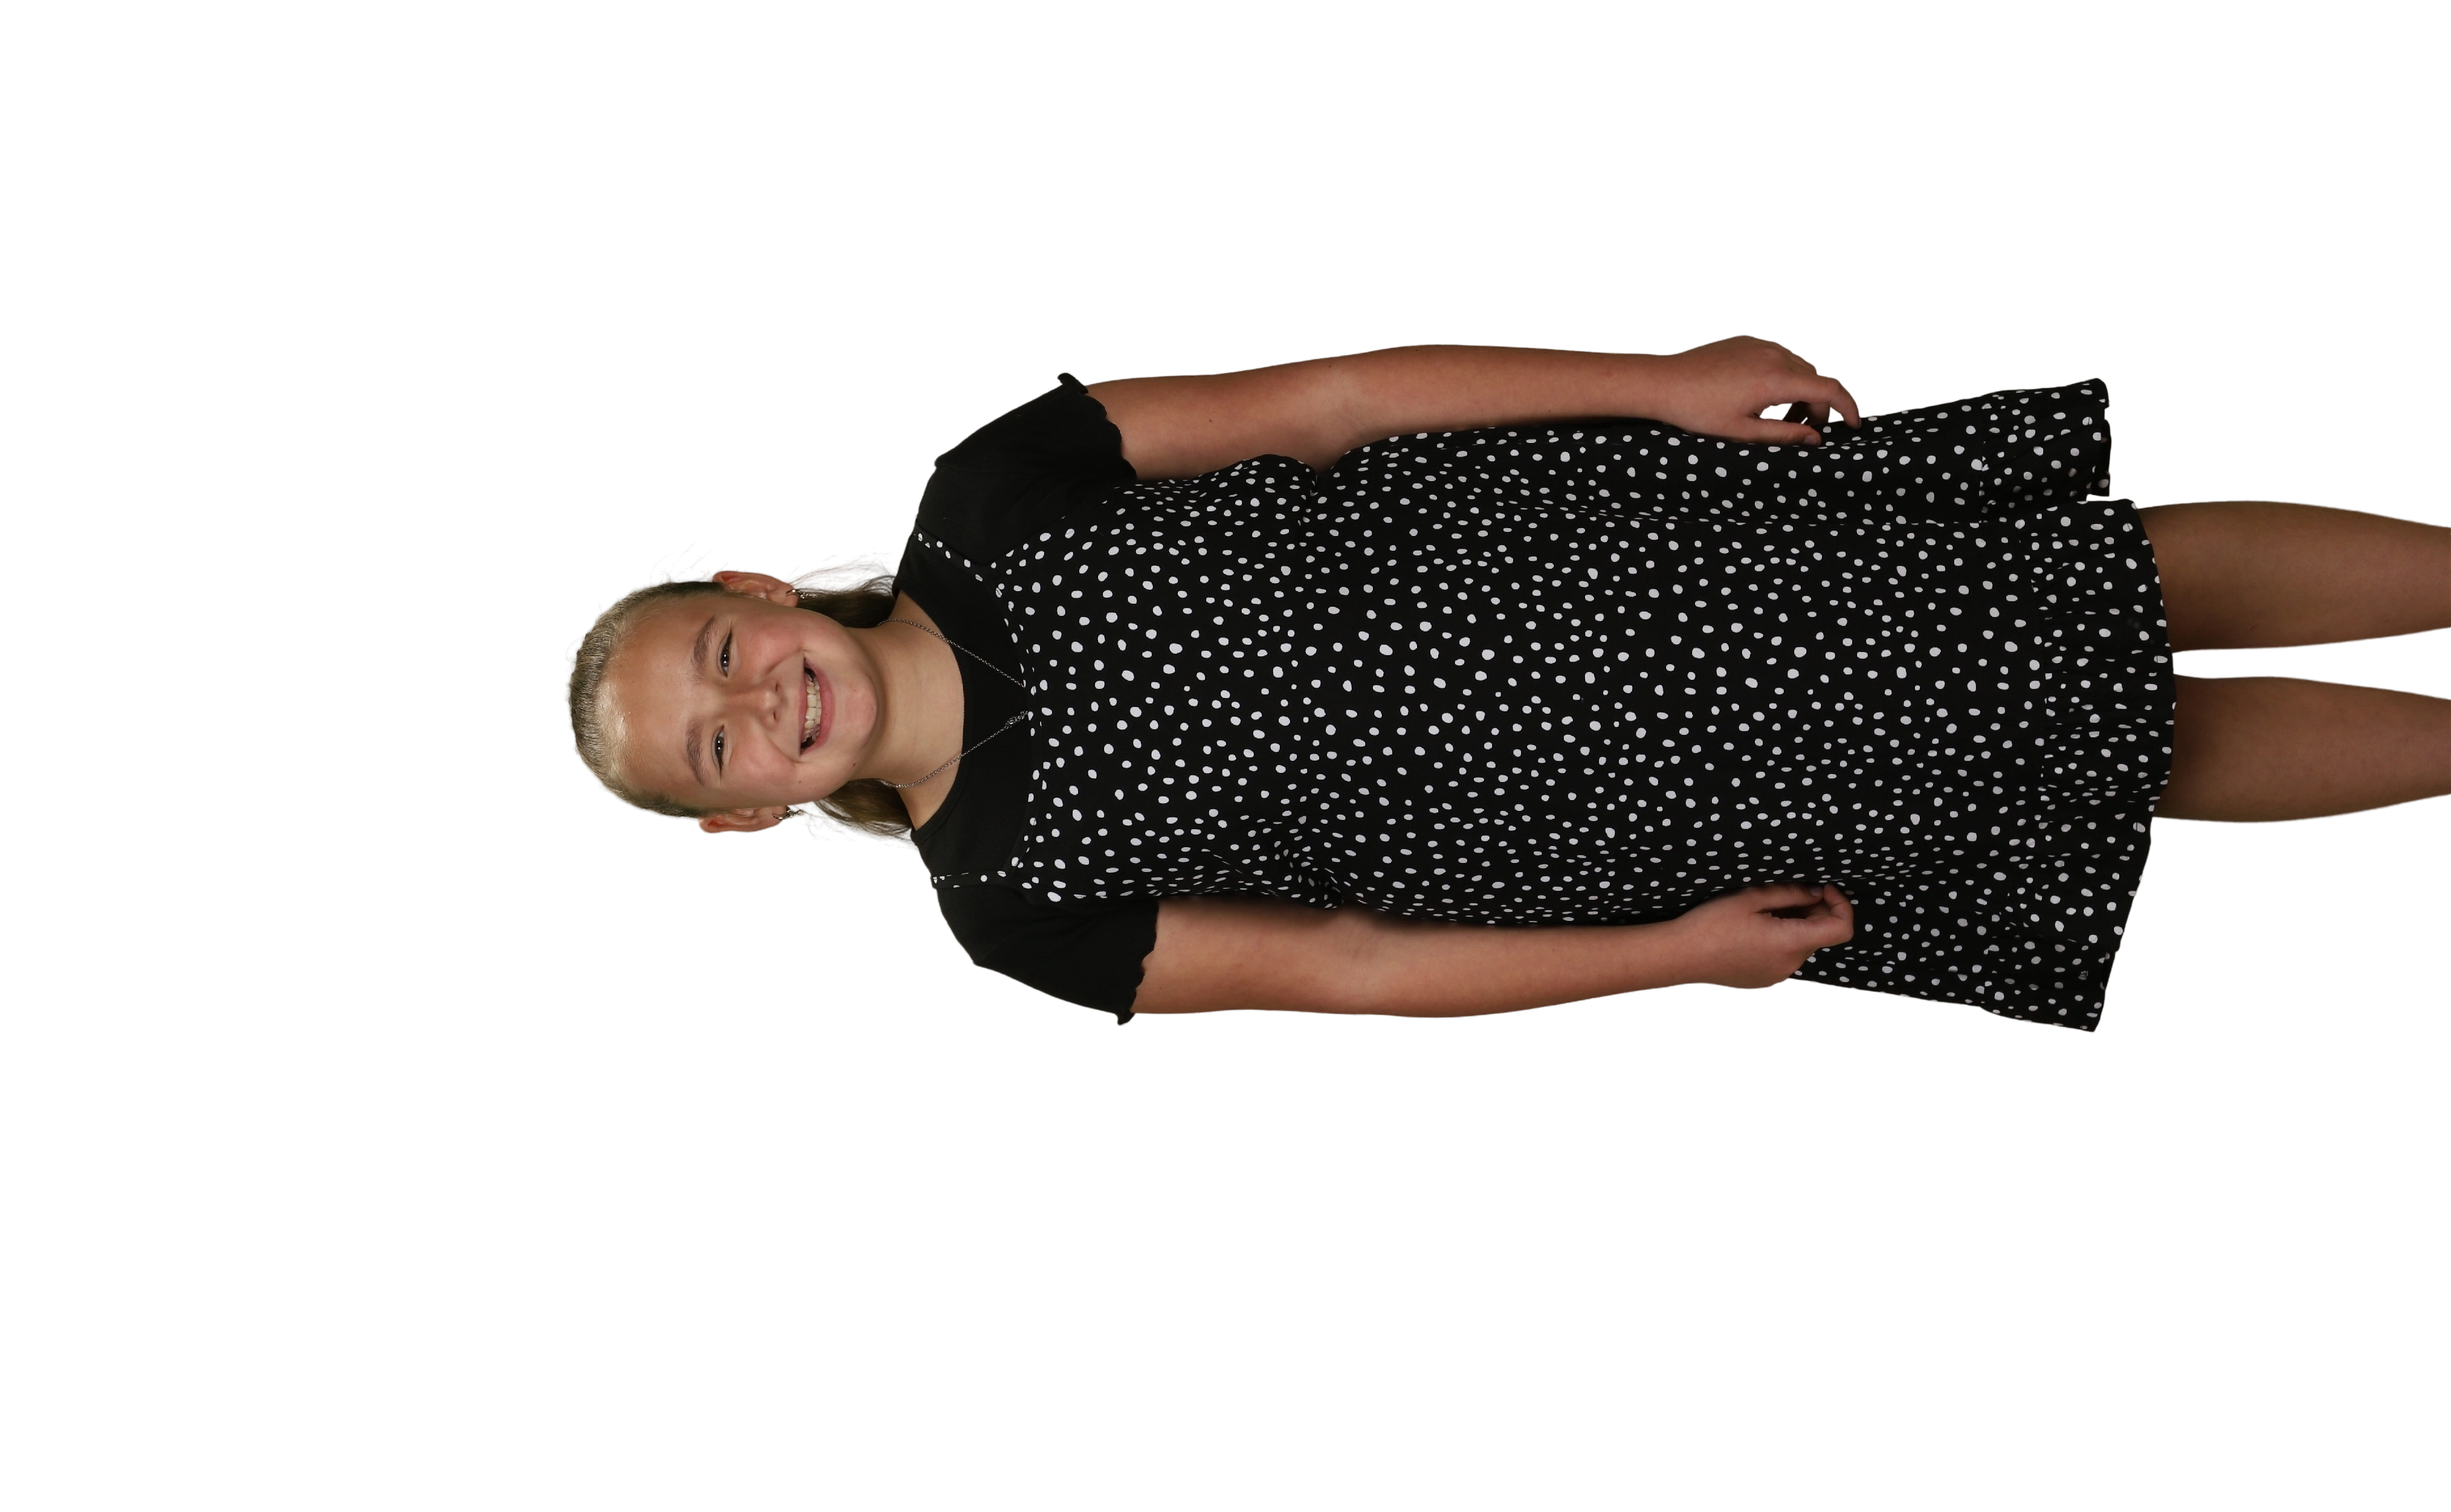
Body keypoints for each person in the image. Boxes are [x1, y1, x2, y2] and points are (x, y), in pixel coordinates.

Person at [560, 336, 2451, 1031]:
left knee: (2120, 568)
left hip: (1633, 551)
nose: (764, 701)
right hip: (1631, 816)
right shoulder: (1011, 908)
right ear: (751, 814)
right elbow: (1345, 968)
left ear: (757, 583)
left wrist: (1655, 384)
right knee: (2134, 752)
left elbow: (1330, 404)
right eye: (717, 747)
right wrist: (1678, 955)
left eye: (722, 652)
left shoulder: (991, 489)